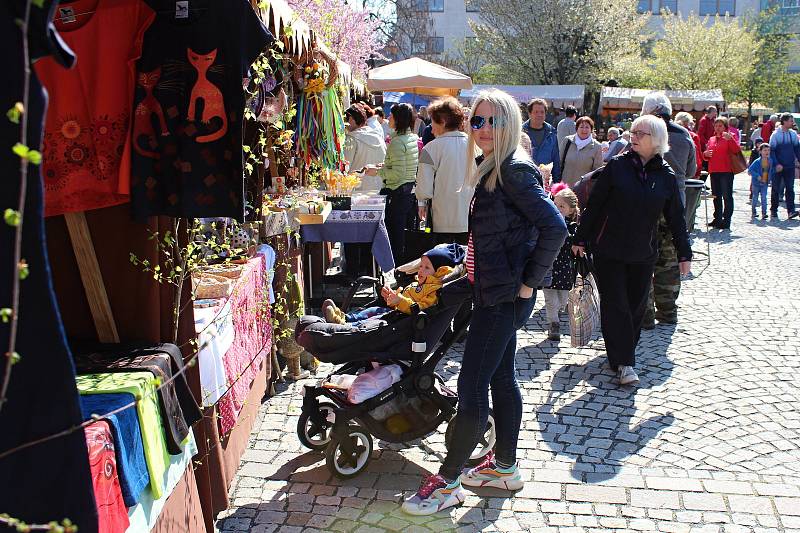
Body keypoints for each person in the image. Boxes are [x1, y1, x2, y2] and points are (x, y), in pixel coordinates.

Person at [402, 89, 567, 516]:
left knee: (471, 383)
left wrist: (529, 284)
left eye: (494, 121)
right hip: (494, 291)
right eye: (478, 121)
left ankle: (449, 480)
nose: (485, 129)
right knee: (501, 377)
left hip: (503, 298)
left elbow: (555, 228)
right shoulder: (495, 166)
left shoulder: (512, 169)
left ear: (510, 124)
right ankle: (505, 467)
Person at [572, 115, 691, 386]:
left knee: (636, 308)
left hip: (643, 253)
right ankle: (626, 363)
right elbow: (596, 206)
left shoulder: (666, 176)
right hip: (609, 250)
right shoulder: (617, 167)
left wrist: (685, 253)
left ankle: (619, 354)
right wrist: (580, 239)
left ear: (657, 140)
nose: (633, 136)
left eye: (641, 133)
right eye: (633, 131)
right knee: (617, 305)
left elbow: (676, 218)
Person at [640, 92, 696, 328]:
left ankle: (646, 314)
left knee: (644, 258)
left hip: (647, 204)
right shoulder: (685, 135)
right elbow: (692, 169)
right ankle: (668, 311)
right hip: (677, 204)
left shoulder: (644, 132)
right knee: (670, 260)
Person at [322, 244, 463, 324]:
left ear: (439, 272)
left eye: (426, 268)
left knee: (373, 320)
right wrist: (390, 298)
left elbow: (421, 308)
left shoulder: (434, 290)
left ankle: (345, 325)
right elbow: (401, 300)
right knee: (371, 311)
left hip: (405, 321)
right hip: (396, 313)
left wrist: (399, 300)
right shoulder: (416, 284)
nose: (420, 270)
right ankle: (343, 318)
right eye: (421, 266)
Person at [365, 103, 419, 261]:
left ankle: (393, 267)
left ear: (398, 119)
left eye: (391, 115)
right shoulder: (411, 137)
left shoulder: (397, 142)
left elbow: (397, 173)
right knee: (401, 234)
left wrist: (377, 172)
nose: (388, 118)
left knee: (394, 235)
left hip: (396, 194)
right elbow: (403, 166)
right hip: (407, 193)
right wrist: (381, 166)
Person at [416, 97, 472, 244]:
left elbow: (424, 185)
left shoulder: (430, 149)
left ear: (443, 122)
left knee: (442, 260)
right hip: (471, 215)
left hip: (441, 216)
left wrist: (421, 202)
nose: (431, 126)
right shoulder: (475, 146)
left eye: (433, 121)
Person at [543, 184, 579, 342]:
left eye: (562, 206)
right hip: (548, 267)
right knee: (551, 300)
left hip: (564, 268)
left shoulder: (572, 227)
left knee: (563, 300)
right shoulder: (548, 223)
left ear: (571, 210)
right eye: (555, 204)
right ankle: (554, 324)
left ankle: (557, 315)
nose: (557, 208)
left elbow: (572, 243)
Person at [704, 116, 742, 230]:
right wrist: (705, 154)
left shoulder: (730, 136)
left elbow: (736, 150)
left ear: (725, 127)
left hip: (726, 170)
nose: (718, 128)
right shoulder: (711, 139)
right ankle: (717, 219)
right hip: (714, 170)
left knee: (727, 196)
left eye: (720, 126)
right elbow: (706, 155)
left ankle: (726, 220)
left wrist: (730, 139)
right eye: (716, 126)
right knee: (716, 196)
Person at [768, 113, 800, 219]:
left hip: (789, 166)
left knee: (790, 188)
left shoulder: (793, 134)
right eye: (791, 121)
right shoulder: (776, 135)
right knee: (776, 189)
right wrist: (776, 164)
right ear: (784, 121)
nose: (792, 123)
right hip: (778, 167)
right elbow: (771, 151)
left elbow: (797, 149)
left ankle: (791, 211)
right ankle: (774, 210)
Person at [522, 98, 561, 183]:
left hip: (545, 182)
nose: (539, 115)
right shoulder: (520, 133)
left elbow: (556, 160)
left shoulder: (552, 133)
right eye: (536, 112)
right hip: (524, 181)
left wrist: (557, 183)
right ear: (529, 114)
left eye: (542, 112)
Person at [560, 116, 604, 186]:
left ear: (591, 129)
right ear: (577, 128)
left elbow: (597, 172)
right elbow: (559, 161)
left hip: (582, 189)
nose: (584, 130)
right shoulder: (567, 141)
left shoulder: (596, 147)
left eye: (587, 127)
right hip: (564, 187)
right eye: (581, 127)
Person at [343, 104, 387, 175]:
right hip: (379, 184)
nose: (344, 124)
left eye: (345, 120)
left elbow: (345, 167)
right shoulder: (378, 136)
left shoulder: (351, 139)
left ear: (351, 119)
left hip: (358, 184)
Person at [747, 143, 774, 220]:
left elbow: (771, 171)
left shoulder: (770, 161)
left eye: (768, 150)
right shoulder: (757, 161)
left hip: (765, 183)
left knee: (764, 198)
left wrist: (770, 179)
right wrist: (757, 176)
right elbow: (750, 170)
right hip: (756, 183)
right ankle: (754, 212)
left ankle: (764, 213)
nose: (767, 152)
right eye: (765, 150)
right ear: (760, 151)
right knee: (755, 197)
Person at [675, 112, 702, 179]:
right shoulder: (692, 136)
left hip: (671, 173)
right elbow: (697, 157)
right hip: (689, 173)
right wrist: (698, 172)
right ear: (687, 122)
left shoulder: (668, 134)